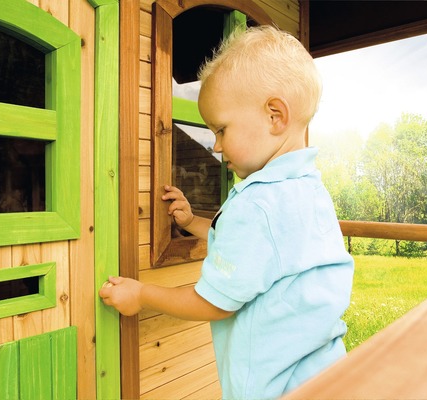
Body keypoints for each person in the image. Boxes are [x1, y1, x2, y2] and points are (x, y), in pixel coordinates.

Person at [99, 25, 354, 399]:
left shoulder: (258, 203)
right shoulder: (308, 190)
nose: (215, 146)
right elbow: (260, 252)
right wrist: (191, 223)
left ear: (274, 116)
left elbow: (213, 303)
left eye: (220, 129)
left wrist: (141, 294)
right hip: (325, 374)